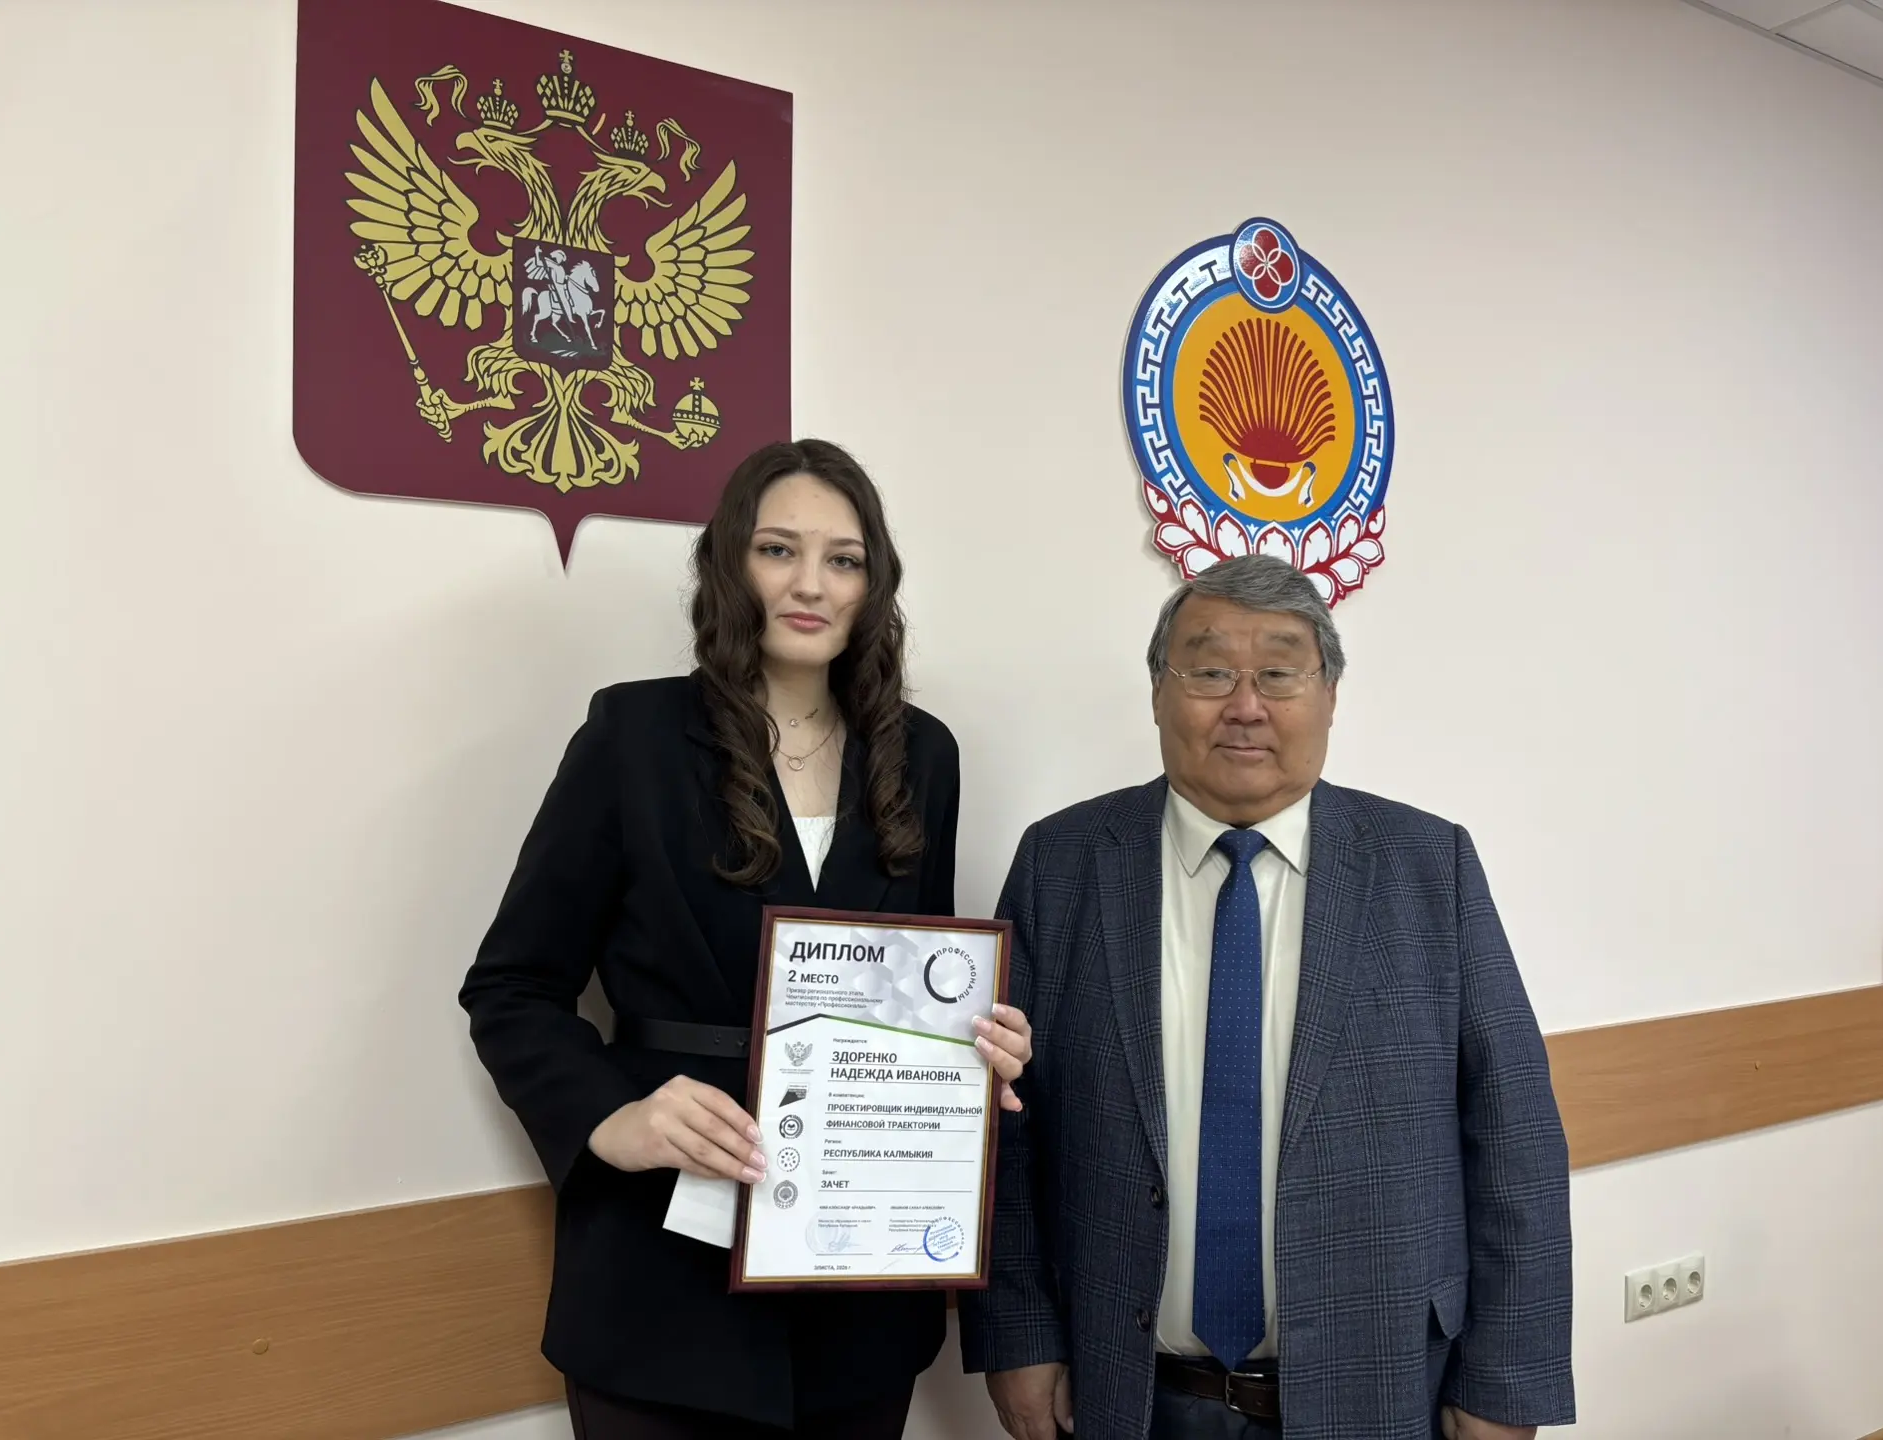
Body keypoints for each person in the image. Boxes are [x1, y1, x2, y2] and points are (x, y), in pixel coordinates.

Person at [460, 439, 1033, 1439]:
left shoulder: (923, 755)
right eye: (779, 550)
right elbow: (512, 988)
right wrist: (610, 1115)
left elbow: (915, 987)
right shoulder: (633, 736)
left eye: (844, 560)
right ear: (731, 563)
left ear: (874, 585)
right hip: (661, 1288)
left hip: (859, 1286)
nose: (811, 584)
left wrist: (973, 1050)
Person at [960, 555, 1573, 1440]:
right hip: (1128, 1390)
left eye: (1280, 673)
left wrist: (1506, 1384)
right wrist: (1017, 1336)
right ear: (1159, 693)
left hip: (1381, 1388)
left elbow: (1513, 1134)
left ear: (1329, 696)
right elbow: (1005, 1122)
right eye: (1209, 671)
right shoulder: (1062, 863)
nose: (1245, 705)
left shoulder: (1427, 866)